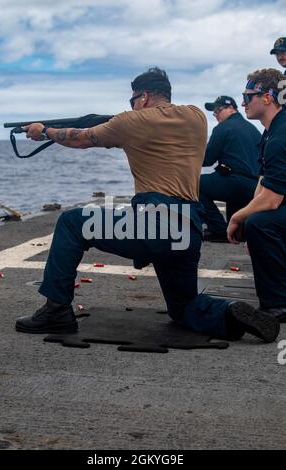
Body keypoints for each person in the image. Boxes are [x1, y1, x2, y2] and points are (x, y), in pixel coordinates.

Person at [16, 67, 279, 343]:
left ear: (142, 97)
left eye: (132, 101)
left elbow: (81, 138)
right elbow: (152, 128)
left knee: (71, 223)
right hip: (187, 230)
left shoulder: (130, 122)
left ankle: (56, 310)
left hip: (152, 225)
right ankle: (228, 313)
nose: (130, 107)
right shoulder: (195, 116)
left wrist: (43, 131)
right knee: (184, 307)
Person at [228, 68, 286, 323]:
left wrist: (237, 218)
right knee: (257, 222)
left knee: (261, 224)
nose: (242, 102)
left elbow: (272, 199)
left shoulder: (280, 136)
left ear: (267, 97)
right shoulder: (271, 130)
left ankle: (277, 306)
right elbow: (263, 181)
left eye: (247, 95)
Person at [200, 96, 261, 242]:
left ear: (231, 108)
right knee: (227, 182)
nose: (216, 115)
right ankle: (237, 231)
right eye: (214, 112)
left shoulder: (223, 128)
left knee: (195, 185)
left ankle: (218, 230)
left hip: (235, 182)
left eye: (218, 110)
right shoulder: (253, 130)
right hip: (255, 186)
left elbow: (207, 159)